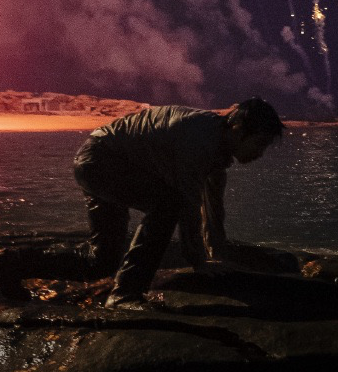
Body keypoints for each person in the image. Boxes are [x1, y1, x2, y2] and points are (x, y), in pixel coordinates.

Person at [73, 97, 284, 308]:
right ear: (238, 130)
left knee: (105, 256)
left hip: (94, 158)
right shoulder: (199, 142)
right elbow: (188, 205)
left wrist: (216, 254)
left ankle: (89, 286)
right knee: (167, 206)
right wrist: (197, 260)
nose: (260, 154)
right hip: (100, 161)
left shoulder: (216, 144)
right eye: (259, 144)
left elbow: (213, 207)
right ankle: (125, 295)